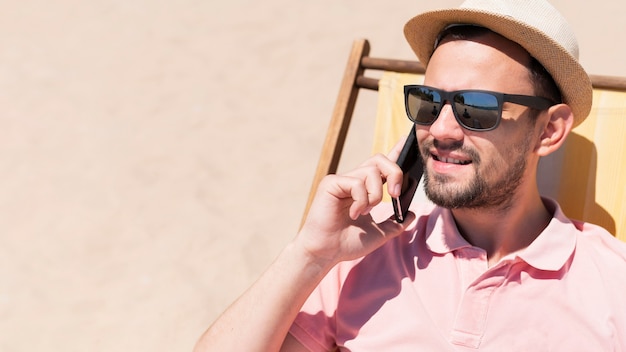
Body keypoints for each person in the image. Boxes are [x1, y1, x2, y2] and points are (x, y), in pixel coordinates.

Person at [195, 0, 626, 350]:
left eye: (475, 108)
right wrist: (309, 255)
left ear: (549, 130)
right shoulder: (362, 255)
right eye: (427, 101)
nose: (439, 130)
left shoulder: (611, 285)